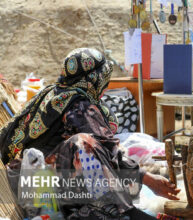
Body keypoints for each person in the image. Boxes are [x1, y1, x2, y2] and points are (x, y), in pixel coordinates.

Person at [0, 48, 180, 219]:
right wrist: (147, 179)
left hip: (29, 184)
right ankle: (118, 214)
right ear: (94, 78)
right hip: (48, 191)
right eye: (104, 78)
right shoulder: (79, 105)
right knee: (84, 144)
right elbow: (108, 150)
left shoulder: (54, 95)